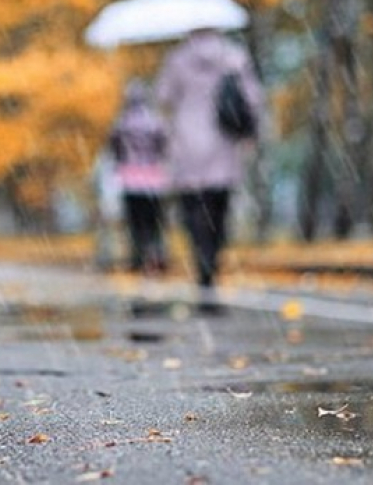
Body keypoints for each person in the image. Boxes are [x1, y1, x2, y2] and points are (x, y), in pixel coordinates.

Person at [154, 28, 263, 306]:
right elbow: (252, 99)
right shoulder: (235, 57)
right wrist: (249, 133)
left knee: (193, 212)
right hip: (223, 145)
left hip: (187, 143)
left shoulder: (178, 58)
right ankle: (211, 263)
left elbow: (163, 96)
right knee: (218, 211)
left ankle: (201, 262)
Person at [109, 79, 170, 274]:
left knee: (136, 222)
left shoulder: (122, 123)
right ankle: (157, 255)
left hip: (130, 180)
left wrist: (125, 161)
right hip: (154, 179)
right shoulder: (155, 121)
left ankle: (139, 257)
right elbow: (163, 146)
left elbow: (115, 148)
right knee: (155, 222)